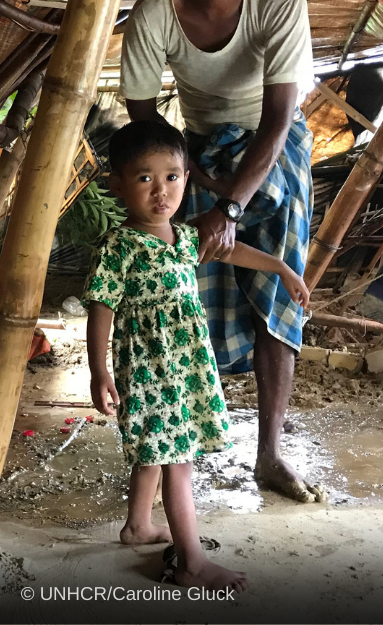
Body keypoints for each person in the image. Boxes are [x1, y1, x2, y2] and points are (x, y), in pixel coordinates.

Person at [119, 0, 321, 502]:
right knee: (183, 293)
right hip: (198, 148)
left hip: (274, 145)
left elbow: (280, 119)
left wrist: (229, 203)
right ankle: (175, 448)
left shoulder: (280, 3)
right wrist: (200, 181)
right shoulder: (154, 14)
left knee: (276, 297)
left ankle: (269, 453)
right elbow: (147, 120)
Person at [84, 121, 309, 590]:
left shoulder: (184, 239)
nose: (161, 190)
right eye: (145, 178)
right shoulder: (120, 247)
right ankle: (192, 562)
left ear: (187, 179)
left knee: (153, 453)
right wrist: (99, 371)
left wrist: (281, 266)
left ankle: (138, 528)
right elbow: (101, 306)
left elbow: (233, 252)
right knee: (178, 461)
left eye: (172, 176)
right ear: (118, 185)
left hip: (183, 368)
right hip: (148, 371)